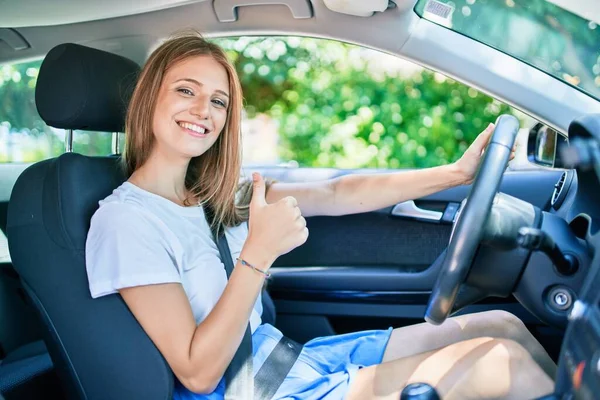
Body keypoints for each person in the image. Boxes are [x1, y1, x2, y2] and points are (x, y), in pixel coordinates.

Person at [85, 31, 556, 400]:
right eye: (185, 90)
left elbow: (336, 192)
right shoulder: (126, 222)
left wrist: (454, 174)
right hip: (247, 391)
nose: (202, 110)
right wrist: (258, 254)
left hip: (283, 360)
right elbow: (198, 372)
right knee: (499, 363)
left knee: (501, 325)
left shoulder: (214, 195)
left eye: (218, 100)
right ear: (150, 98)